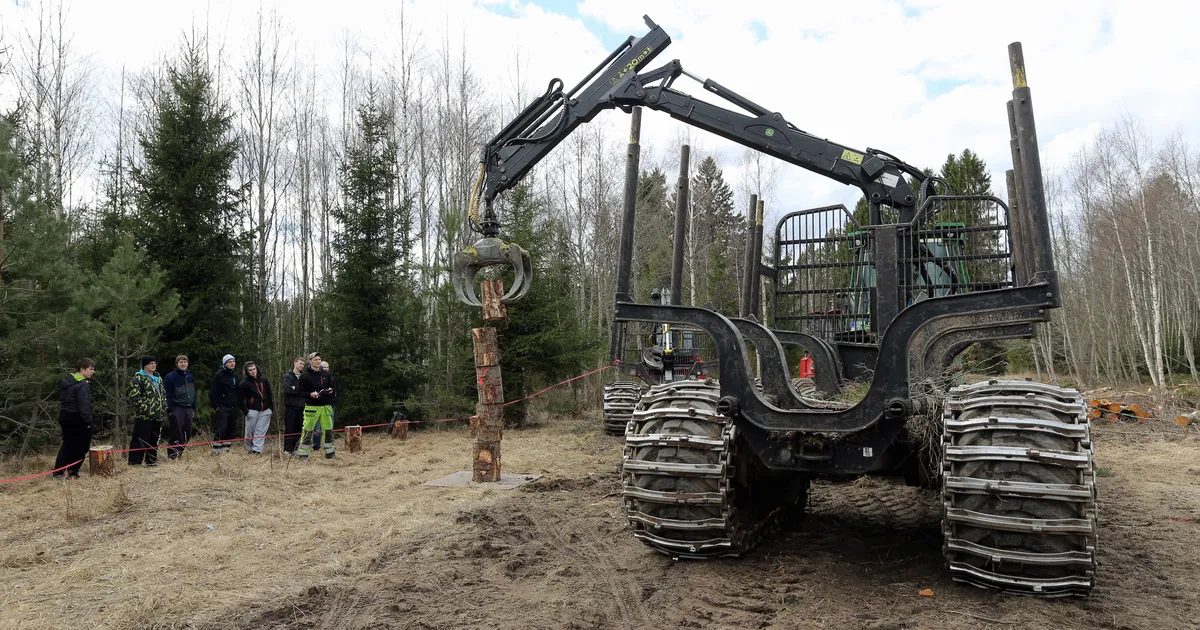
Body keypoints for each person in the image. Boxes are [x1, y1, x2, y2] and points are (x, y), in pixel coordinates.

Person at [53, 358, 95, 479]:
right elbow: (84, 406)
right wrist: (87, 423)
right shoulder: (82, 385)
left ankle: (63, 472)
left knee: (68, 444)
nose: (93, 372)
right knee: (81, 446)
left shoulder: (67, 381)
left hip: (65, 416)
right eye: (91, 369)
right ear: (82, 369)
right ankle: (71, 471)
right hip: (77, 418)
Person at [128, 355, 168, 467]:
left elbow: (163, 394)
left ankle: (151, 461)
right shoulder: (138, 378)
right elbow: (134, 397)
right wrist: (146, 409)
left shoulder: (158, 378)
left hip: (158, 415)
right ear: (145, 365)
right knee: (140, 439)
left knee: (154, 439)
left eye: (155, 363)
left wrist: (163, 407)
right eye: (151, 363)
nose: (153, 365)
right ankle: (134, 462)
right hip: (144, 416)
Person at [297, 352, 336, 460]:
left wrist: (328, 392)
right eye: (315, 360)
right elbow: (300, 392)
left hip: (325, 407)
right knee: (308, 430)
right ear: (310, 362)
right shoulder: (305, 376)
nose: (318, 361)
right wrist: (310, 394)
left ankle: (330, 453)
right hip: (311, 407)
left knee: (328, 430)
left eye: (319, 359)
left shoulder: (326, 374)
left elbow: (332, 388)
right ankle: (303, 453)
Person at [163, 355, 196, 459]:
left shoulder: (190, 376)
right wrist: (170, 409)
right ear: (177, 364)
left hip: (188, 408)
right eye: (181, 362)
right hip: (176, 408)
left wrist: (193, 408)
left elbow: (193, 393)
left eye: (185, 362)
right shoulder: (170, 377)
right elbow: (167, 394)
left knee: (187, 433)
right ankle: (172, 456)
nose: (183, 364)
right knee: (176, 433)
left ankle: (179, 453)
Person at [238, 361, 274, 455]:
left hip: (265, 410)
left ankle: (257, 450)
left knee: (260, 431)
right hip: (252, 410)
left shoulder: (264, 379)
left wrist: (271, 408)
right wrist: (246, 411)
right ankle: (249, 449)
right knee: (250, 431)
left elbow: (269, 393)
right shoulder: (244, 384)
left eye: (254, 369)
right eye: (250, 370)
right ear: (247, 371)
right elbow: (239, 399)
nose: (253, 371)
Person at [209, 354, 240, 455]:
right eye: (230, 362)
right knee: (221, 429)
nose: (232, 363)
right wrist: (217, 407)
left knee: (231, 430)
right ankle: (216, 451)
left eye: (233, 361)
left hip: (233, 407)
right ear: (225, 363)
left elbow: (238, 391)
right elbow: (212, 393)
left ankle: (225, 451)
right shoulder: (218, 375)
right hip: (222, 407)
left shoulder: (235, 375)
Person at [281, 357, 306, 454]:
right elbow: (288, 391)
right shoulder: (288, 376)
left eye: (303, 364)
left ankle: (295, 448)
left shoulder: (304, 376)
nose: (302, 366)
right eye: (300, 363)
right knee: (290, 427)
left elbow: (305, 391)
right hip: (290, 406)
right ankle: (287, 449)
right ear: (295, 363)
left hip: (301, 406)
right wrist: (298, 391)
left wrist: (296, 389)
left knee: (298, 428)